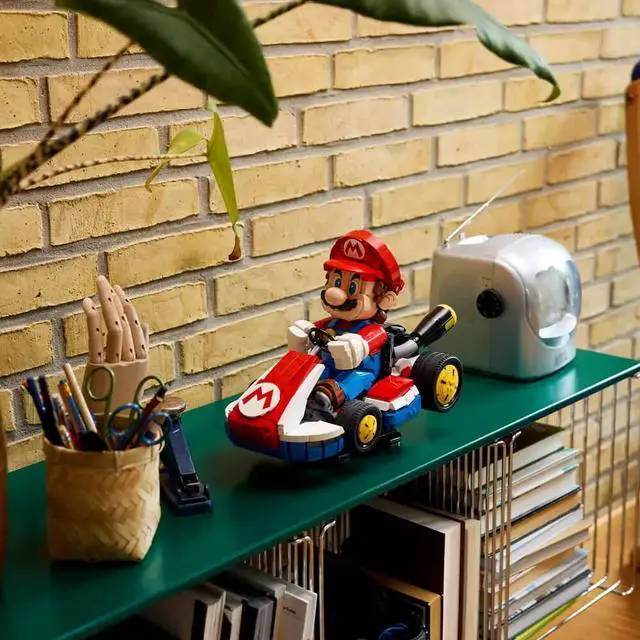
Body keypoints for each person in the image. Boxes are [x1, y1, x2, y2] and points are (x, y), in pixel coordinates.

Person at [287, 229, 405, 411]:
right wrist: (305, 331)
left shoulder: (373, 330)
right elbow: (315, 330)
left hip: (362, 371)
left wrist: (356, 344)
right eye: (336, 282)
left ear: (384, 299)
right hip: (328, 365)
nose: (335, 295)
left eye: (352, 288)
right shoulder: (332, 323)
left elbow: (368, 341)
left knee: (355, 378)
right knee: (309, 373)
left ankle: (329, 398)